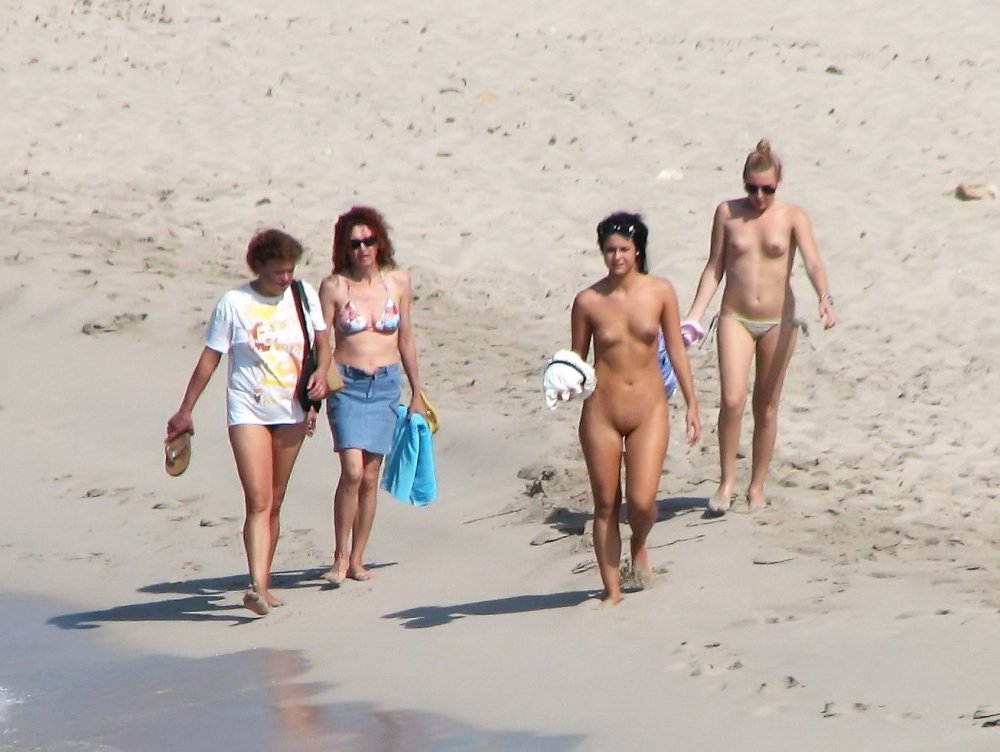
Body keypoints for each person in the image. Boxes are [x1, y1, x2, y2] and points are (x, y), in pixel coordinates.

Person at [165, 228, 330, 616]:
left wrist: (322, 373)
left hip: (291, 410)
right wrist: (186, 409)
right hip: (248, 412)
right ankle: (256, 585)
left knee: (275, 501)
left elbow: (321, 342)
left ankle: (265, 581)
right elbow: (211, 358)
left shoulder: (304, 296)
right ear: (258, 267)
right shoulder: (234, 303)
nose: (286, 278)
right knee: (258, 500)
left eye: (291, 271)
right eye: (278, 272)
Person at [685, 139, 837, 515]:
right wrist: (695, 315)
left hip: (778, 322)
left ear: (778, 184)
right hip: (735, 316)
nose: (758, 196)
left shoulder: (792, 216)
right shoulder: (726, 213)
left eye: (767, 189)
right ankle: (725, 483)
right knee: (733, 400)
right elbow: (714, 267)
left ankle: (756, 487)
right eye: (751, 187)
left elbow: (813, 262)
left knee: (766, 406)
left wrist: (825, 296)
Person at [571, 212, 701, 604]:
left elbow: (676, 349)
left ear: (638, 249)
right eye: (609, 250)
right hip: (601, 410)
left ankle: (639, 543)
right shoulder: (588, 301)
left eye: (623, 249)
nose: (616, 257)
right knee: (606, 503)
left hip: (649, 409)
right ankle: (612, 592)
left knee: (643, 502)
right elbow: (576, 358)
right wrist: (564, 384)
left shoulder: (660, 291)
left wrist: (693, 403)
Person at [318, 206, 425, 584]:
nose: (363, 248)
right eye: (355, 243)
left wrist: (417, 392)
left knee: (369, 475)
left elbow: (407, 339)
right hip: (346, 385)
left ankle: (359, 557)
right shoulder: (334, 287)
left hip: (384, 385)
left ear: (380, 242)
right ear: (344, 249)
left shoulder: (397, 282)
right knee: (350, 471)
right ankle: (340, 555)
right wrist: (318, 385)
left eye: (369, 241)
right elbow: (323, 343)